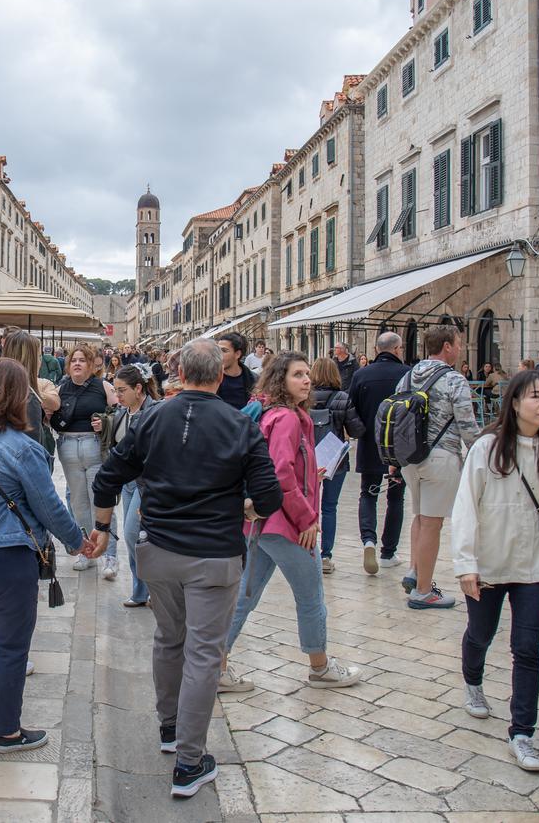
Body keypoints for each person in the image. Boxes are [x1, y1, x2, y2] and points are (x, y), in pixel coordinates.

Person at [91, 339, 282, 798]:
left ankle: (170, 728)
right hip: (214, 554)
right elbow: (271, 496)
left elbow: (107, 478)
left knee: (168, 638)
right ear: (220, 376)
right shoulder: (240, 425)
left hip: (157, 549)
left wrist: (102, 528)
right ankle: (189, 763)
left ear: (180, 373)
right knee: (203, 653)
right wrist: (247, 510)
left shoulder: (152, 417)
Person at [0, 358, 87, 753]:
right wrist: (77, 541)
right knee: (9, 647)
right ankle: (6, 732)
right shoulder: (23, 448)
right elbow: (49, 507)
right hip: (3, 559)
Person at [219, 351, 362, 695]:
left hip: (262, 523)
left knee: (244, 596)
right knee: (310, 595)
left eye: (307, 373)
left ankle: (215, 665)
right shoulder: (286, 419)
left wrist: (312, 472)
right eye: (298, 374)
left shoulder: (275, 414)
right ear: (281, 379)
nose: (306, 380)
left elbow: (280, 468)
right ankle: (321, 668)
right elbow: (281, 475)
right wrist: (307, 518)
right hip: (286, 525)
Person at [452, 369, 539, 773]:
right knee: (481, 634)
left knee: (527, 648)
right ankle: (473, 682)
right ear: (515, 402)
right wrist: (465, 563)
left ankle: (522, 732)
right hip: (488, 563)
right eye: (536, 397)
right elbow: (466, 505)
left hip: (533, 563)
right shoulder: (486, 447)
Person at [397, 324, 482, 609]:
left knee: (420, 516)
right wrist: (481, 450)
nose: (459, 349)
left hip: (409, 457)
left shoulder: (407, 376)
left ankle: (415, 570)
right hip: (441, 456)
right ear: (446, 346)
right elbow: (467, 425)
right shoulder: (454, 380)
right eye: (458, 344)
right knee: (433, 523)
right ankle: (423, 591)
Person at [52, 343, 118, 574]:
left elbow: (119, 412)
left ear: (91, 365)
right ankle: (87, 553)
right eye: (73, 360)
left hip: (94, 446)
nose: (77, 364)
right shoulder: (61, 389)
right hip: (68, 446)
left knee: (100, 503)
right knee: (78, 505)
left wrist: (106, 422)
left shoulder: (103, 386)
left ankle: (110, 556)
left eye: (82, 360)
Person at [348, 332, 410, 574]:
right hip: (399, 447)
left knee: (368, 493)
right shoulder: (406, 374)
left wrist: (361, 431)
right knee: (396, 497)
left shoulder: (361, 374)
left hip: (370, 443)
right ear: (396, 349)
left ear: (377, 350)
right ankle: (388, 552)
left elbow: (351, 408)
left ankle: (369, 540)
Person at [110, 363, 161, 608]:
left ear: (138, 388)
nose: (117, 395)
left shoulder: (154, 412)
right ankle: (141, 590)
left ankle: (155, 587)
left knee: (132, 534)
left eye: (121, 390)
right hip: (128, 484)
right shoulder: (122, 412)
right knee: (135, 538)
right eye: (116, 390)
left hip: (145, 483)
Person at [308, 356, 365, 573]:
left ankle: (308, 550)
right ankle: (325, 556)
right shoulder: (342, 398)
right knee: (329, 507)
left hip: (309, 460)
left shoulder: (305, 397)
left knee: (310, 506)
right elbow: (358, 429)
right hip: (334, 459)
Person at [2, 329, 61, 457]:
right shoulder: (28, 397)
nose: (40, 362)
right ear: (30, 360)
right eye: (39, 357)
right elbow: (31, 451)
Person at [215, 332, 256, 410]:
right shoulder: (209, 379)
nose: (218, 354)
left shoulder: (254, 380)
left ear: (237, 354)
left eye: (224, 351)